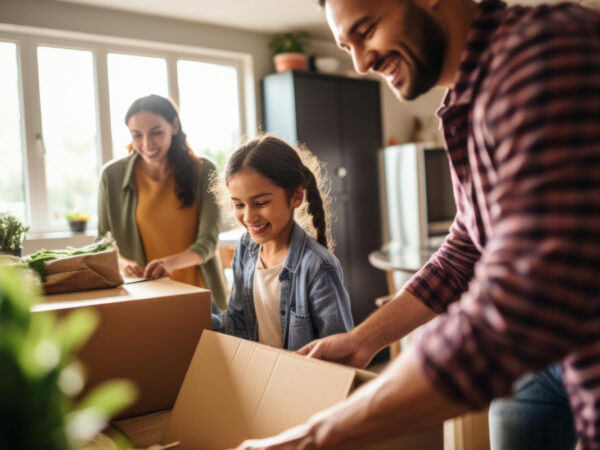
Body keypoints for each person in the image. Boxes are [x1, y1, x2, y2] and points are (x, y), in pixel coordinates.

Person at [235, 0, 600, 448]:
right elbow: (466, 248)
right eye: (347, 45)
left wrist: (313, 437)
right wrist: (362, 340)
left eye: (366, 30)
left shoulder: (542, 55)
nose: (362, 61)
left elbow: (520, 307)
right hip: (537, 365)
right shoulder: (465, 104)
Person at [211, 134, 353, 350]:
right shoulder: (244, 248)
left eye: (261, 202)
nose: (248, 217)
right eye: (239, 205)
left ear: (296, 196)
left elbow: (340, 349)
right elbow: (237, 324)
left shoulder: (319, 267)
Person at [97, 94, 227, 310]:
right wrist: (123, 263)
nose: (147, 144)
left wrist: (168, 264)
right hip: (143, 296)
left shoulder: (204, 171)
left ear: (174, 126)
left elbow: (208, 242)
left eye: (156, 132)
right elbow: (102, 241)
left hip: (200, 296)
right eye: (136, 135)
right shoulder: (112, 176)